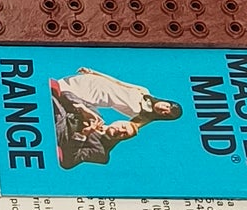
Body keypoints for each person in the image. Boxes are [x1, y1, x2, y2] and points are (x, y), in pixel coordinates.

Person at [50, 70, 183, 167]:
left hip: (59, 124)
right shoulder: (144, 92)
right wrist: (93, 74)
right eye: (167, 106)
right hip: (95, 85)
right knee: (57, 90)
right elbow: (118, 83)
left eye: (166, 113)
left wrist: (83, 135)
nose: (121, 130)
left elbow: (69, 161)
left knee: (54, 94)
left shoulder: (101, 152)